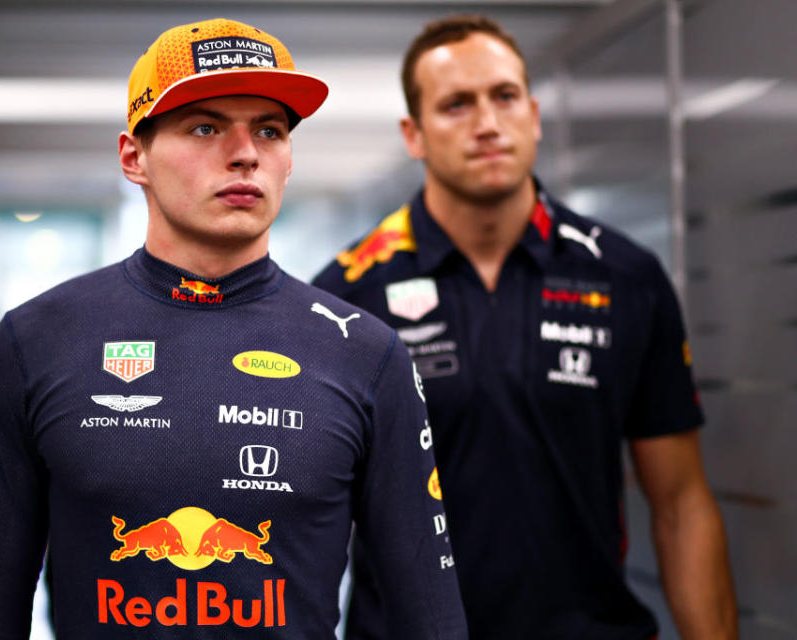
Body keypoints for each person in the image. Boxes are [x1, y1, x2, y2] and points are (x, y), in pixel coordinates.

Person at [0, 18, 467, 639]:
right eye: (205, 126)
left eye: (269, 131)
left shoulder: (365, 354)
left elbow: (431, 619)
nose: (245, 152)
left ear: (289, 161)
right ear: (134, 157)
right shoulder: (34, 343)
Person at [313, 14, 737, 640]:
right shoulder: (347, 294)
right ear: (415, 134)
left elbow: (680, 504)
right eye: (456, 105)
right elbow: (313, 524)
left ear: (534, 115)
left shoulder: (625, 277)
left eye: (504, 97)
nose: (488, 124)